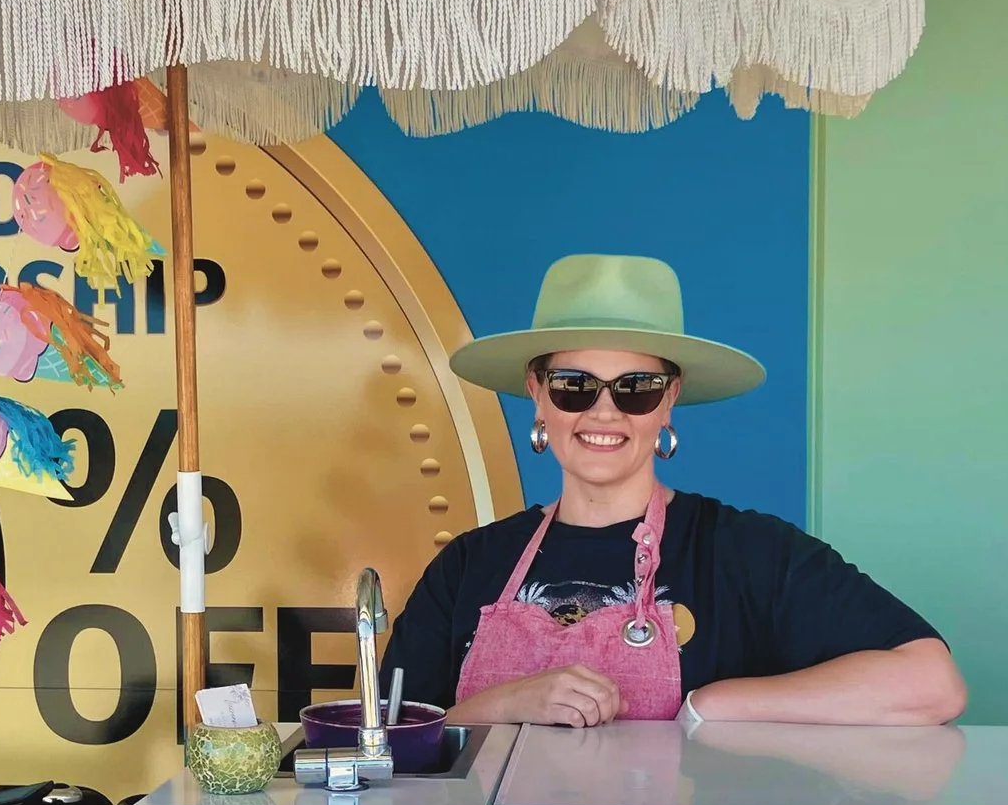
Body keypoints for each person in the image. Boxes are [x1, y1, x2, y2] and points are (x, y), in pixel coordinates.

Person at [382, 254, 965, 728]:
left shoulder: (743, 553)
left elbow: (930, 683)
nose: (604, 411)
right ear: (537, 393)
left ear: (669, 399)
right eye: (573, 386)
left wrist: (713, 705)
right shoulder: (468, 565)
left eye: (636, 387)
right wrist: (507, 706)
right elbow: (388, 746)